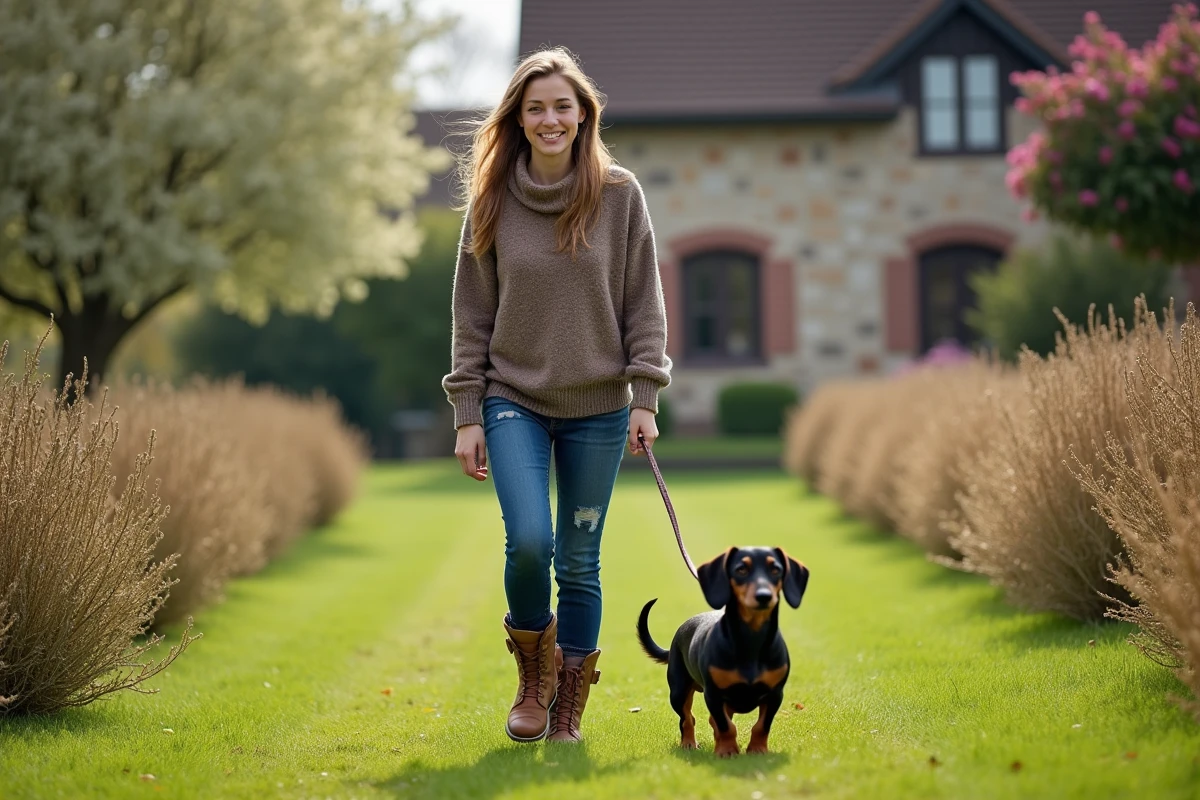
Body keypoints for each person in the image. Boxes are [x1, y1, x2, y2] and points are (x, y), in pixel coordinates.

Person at [441, 47, 671, 744]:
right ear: (518, 117)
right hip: (514, 397)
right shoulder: (491, 199)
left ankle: (567, 704)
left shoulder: (620, 194)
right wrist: (467, 414)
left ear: (582, 116)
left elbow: (643, 303)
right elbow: (471, 315)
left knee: (578, 555)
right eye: (535, 107)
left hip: (600, 407)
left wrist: (644, 397)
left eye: (561, 107)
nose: (549, 119)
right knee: (530, 543)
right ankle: (531, 679)